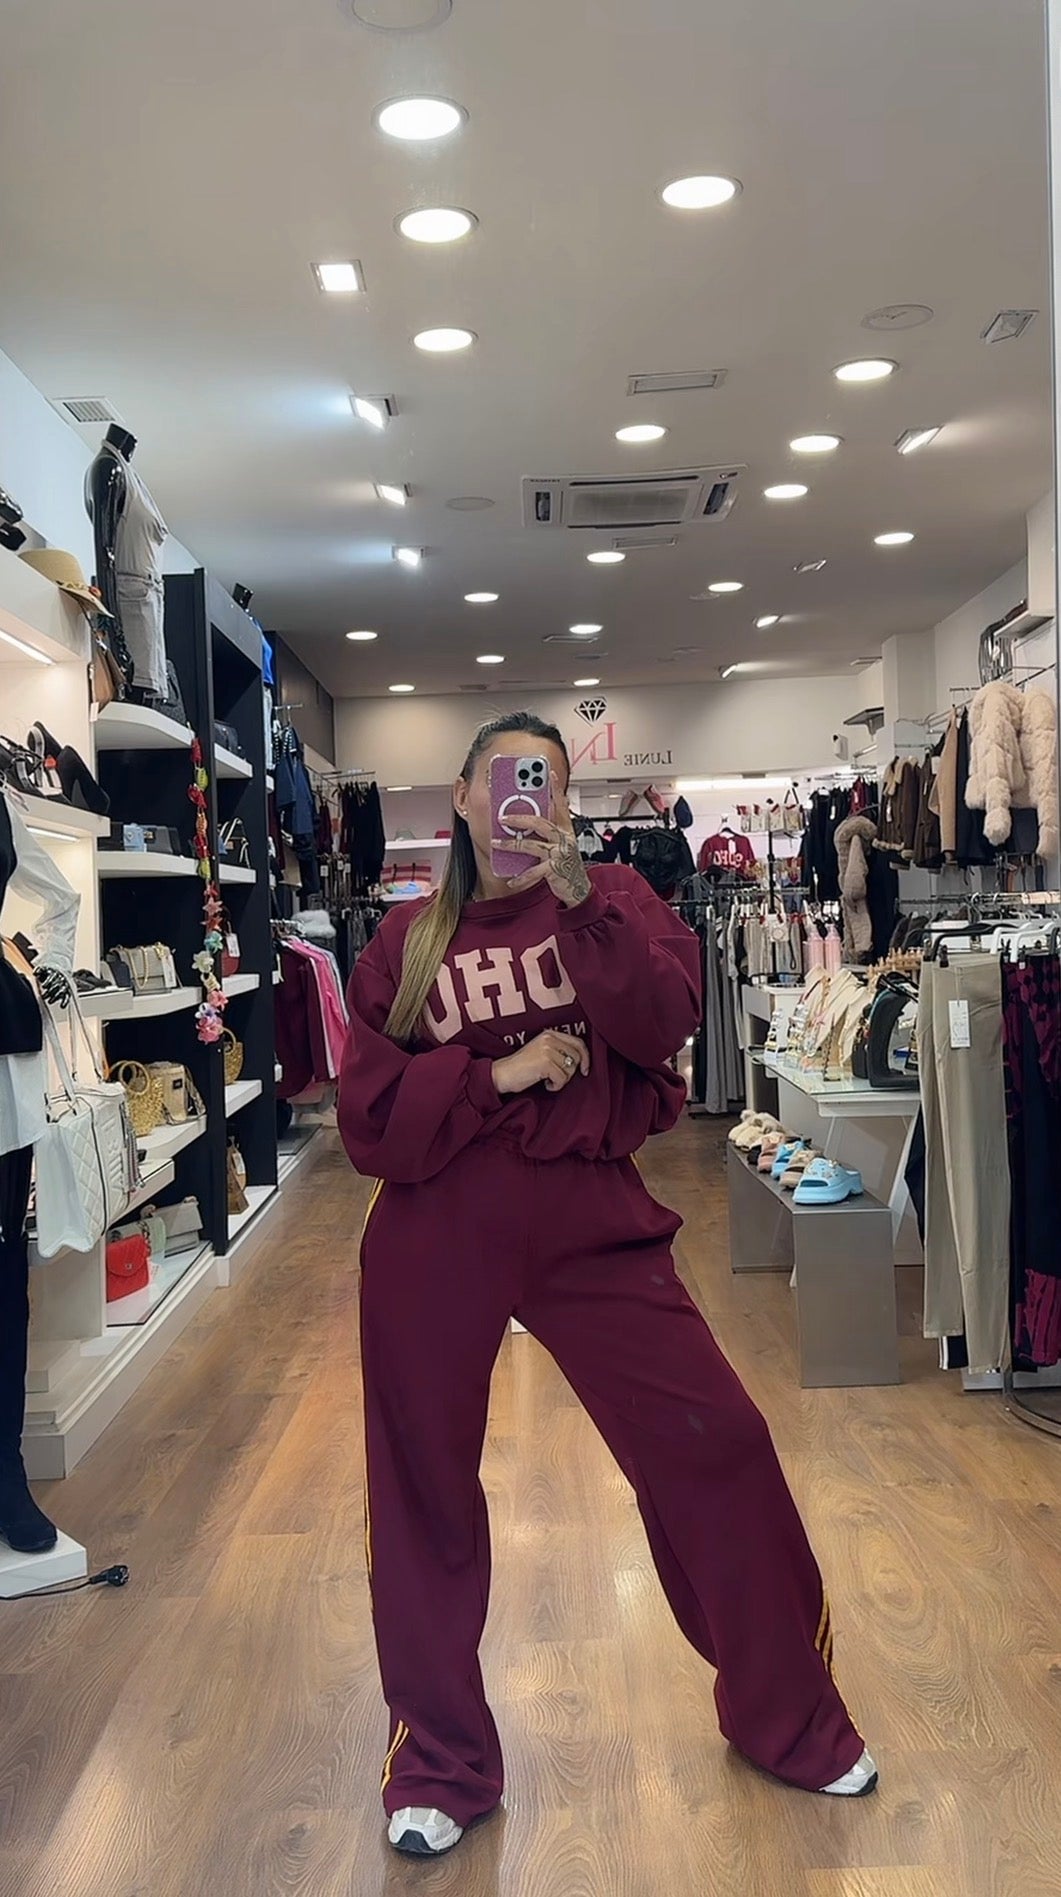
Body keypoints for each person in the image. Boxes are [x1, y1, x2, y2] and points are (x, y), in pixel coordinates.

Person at [338, 711, 876, 1859]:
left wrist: (582, 899)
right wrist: (494, 1075)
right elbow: (366, 1115)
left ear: (564, 802)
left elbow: (663, 1023)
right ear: (463, 798)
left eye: (542, 783)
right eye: (501, 781)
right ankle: (438, 1759)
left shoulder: (614, 900)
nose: (519, 803)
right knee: (419, 1483)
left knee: (715, 1438)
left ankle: (786, 1711)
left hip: (586, 1208)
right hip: (435, 1220)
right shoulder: (405, 942)